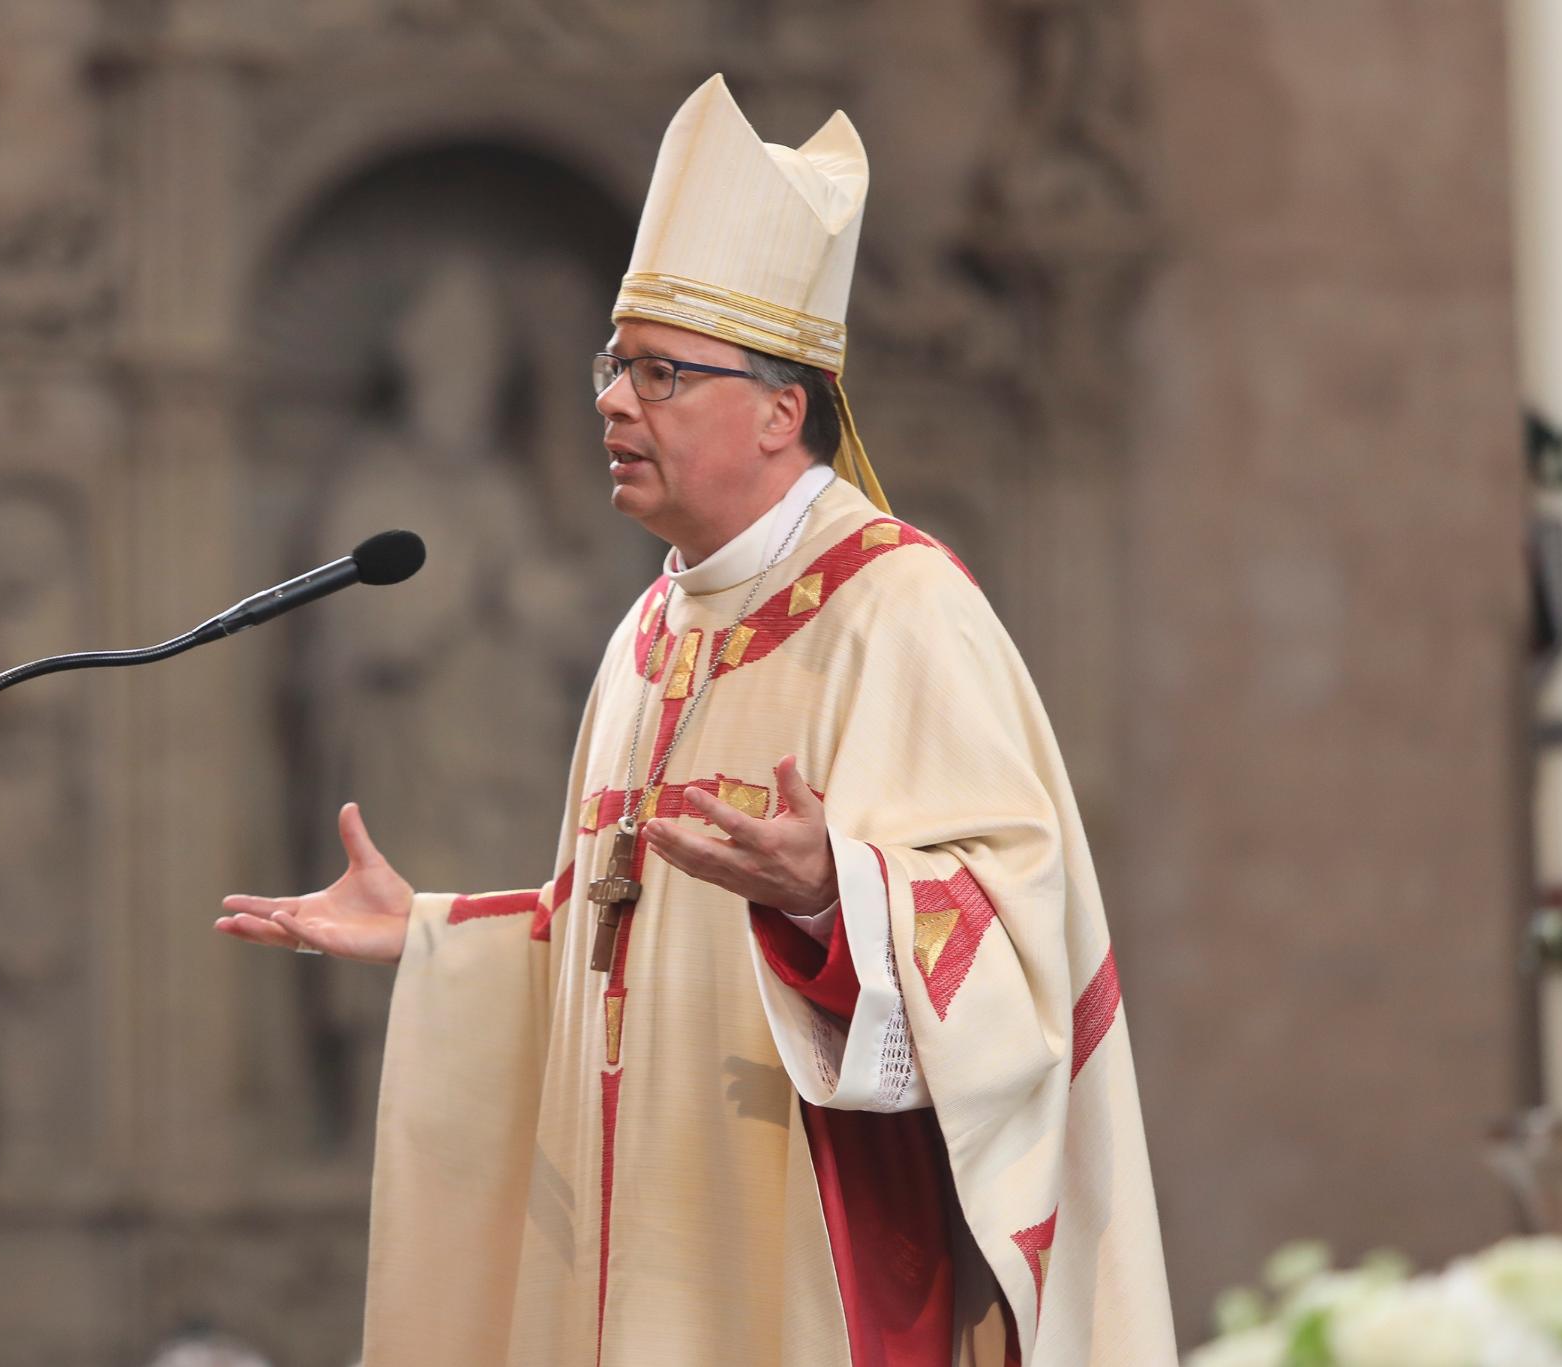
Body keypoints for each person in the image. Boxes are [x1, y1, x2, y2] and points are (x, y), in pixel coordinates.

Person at [216, 74, 1175, 1366]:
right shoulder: (650, 630)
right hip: (631, 1263)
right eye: (613, 368)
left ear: (783, 410)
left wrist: (832, 901)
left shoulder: (895, 609)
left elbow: (1020, 941)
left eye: (661, 374)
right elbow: (623, 942)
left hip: (806, 1266)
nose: (611, 403)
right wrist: (442, 938)